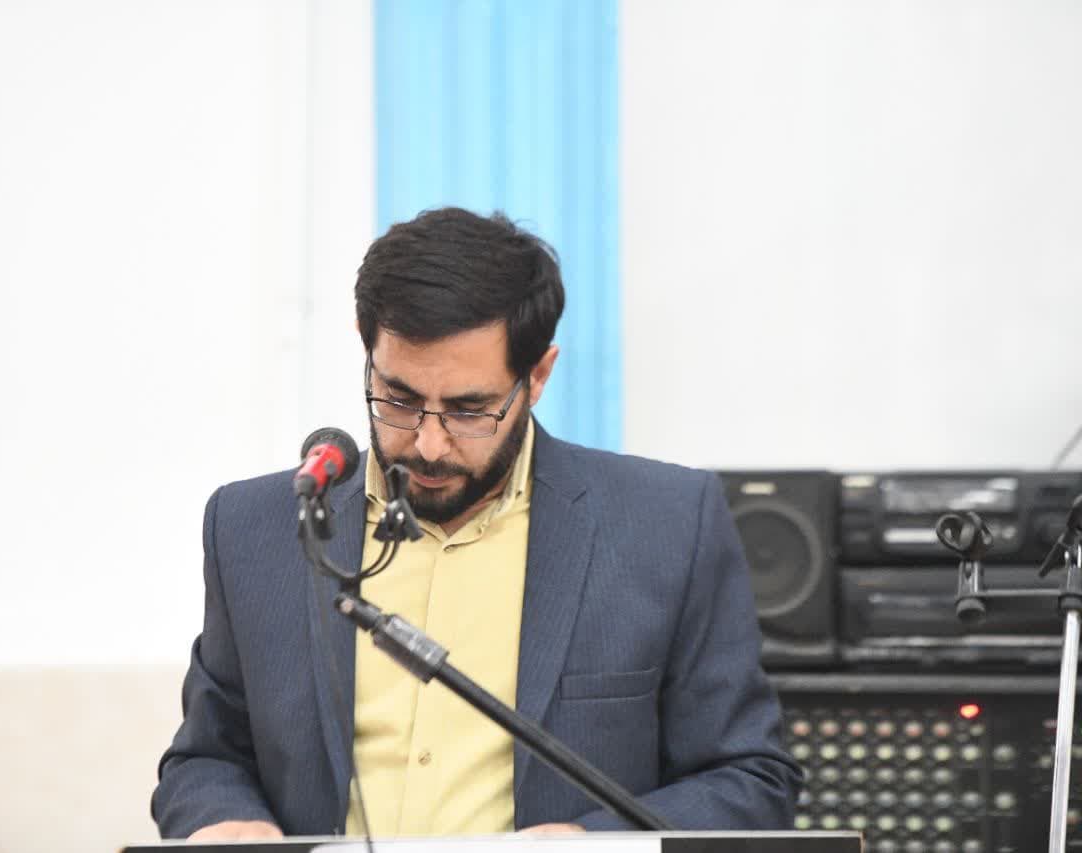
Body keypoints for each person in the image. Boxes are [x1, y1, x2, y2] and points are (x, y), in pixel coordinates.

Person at [151, 207, 801, 841]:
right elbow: (206, 757)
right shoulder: (255, 528)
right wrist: (225, 820)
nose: (429, 444)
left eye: (469, 409)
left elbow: (750, 778)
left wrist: (593, 842)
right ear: (366, 350)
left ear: (537, 375)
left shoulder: (665, 526)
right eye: (399, 399)